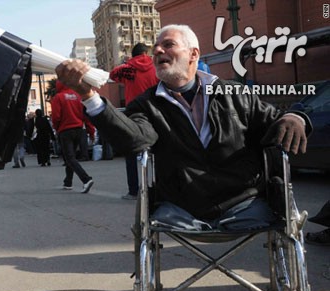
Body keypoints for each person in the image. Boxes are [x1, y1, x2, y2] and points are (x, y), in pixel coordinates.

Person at [55, 24, 310, 231]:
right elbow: (134, 140)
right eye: (156, 46)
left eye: (168, 44)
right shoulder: (146, 105)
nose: (157, 50)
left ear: (194, 54)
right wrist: (89, 96)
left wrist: (296, 118)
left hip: (244, 203)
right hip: (180, 207)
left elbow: (275, 117)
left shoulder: (234, 93)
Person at [110, 43, 159, 200]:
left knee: (130, 151)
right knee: (159, 150)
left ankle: (133, 191)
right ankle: (160, 189)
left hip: (134, 112)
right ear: (146, 53)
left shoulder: (128, 68)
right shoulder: (156, 65)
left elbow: (112, 74)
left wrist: (127, 63)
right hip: (154, 110)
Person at [50, 81, 96, 193]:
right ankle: (68, 182)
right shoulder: (77, 96)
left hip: (65, 130)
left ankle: (86, 179)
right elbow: (86, 115)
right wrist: (91, 131)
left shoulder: (58, 97)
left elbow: (56, 117)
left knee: (70, 157)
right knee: (70, 157)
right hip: (79, 129)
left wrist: (57, 128)